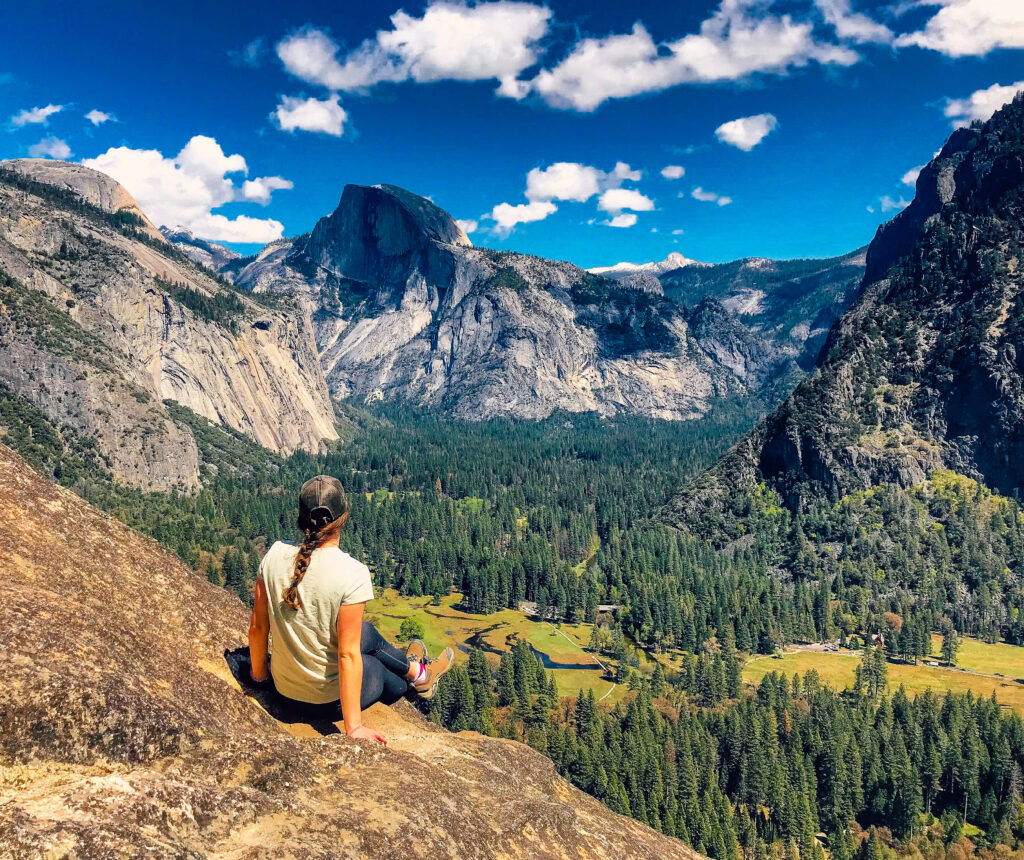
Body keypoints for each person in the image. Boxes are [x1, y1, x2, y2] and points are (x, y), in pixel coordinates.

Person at [247, 474, 453, 744]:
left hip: (283, 689)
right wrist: (353, 727)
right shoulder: (352, 573)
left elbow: (258, 627)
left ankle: (418, 672)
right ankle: (415, 681)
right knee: (377, 668)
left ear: (301, 518)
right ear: (344, 516)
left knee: (366, 632)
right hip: (323, 702)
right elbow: (347, 655)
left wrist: (259, 678)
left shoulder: (273, 554)